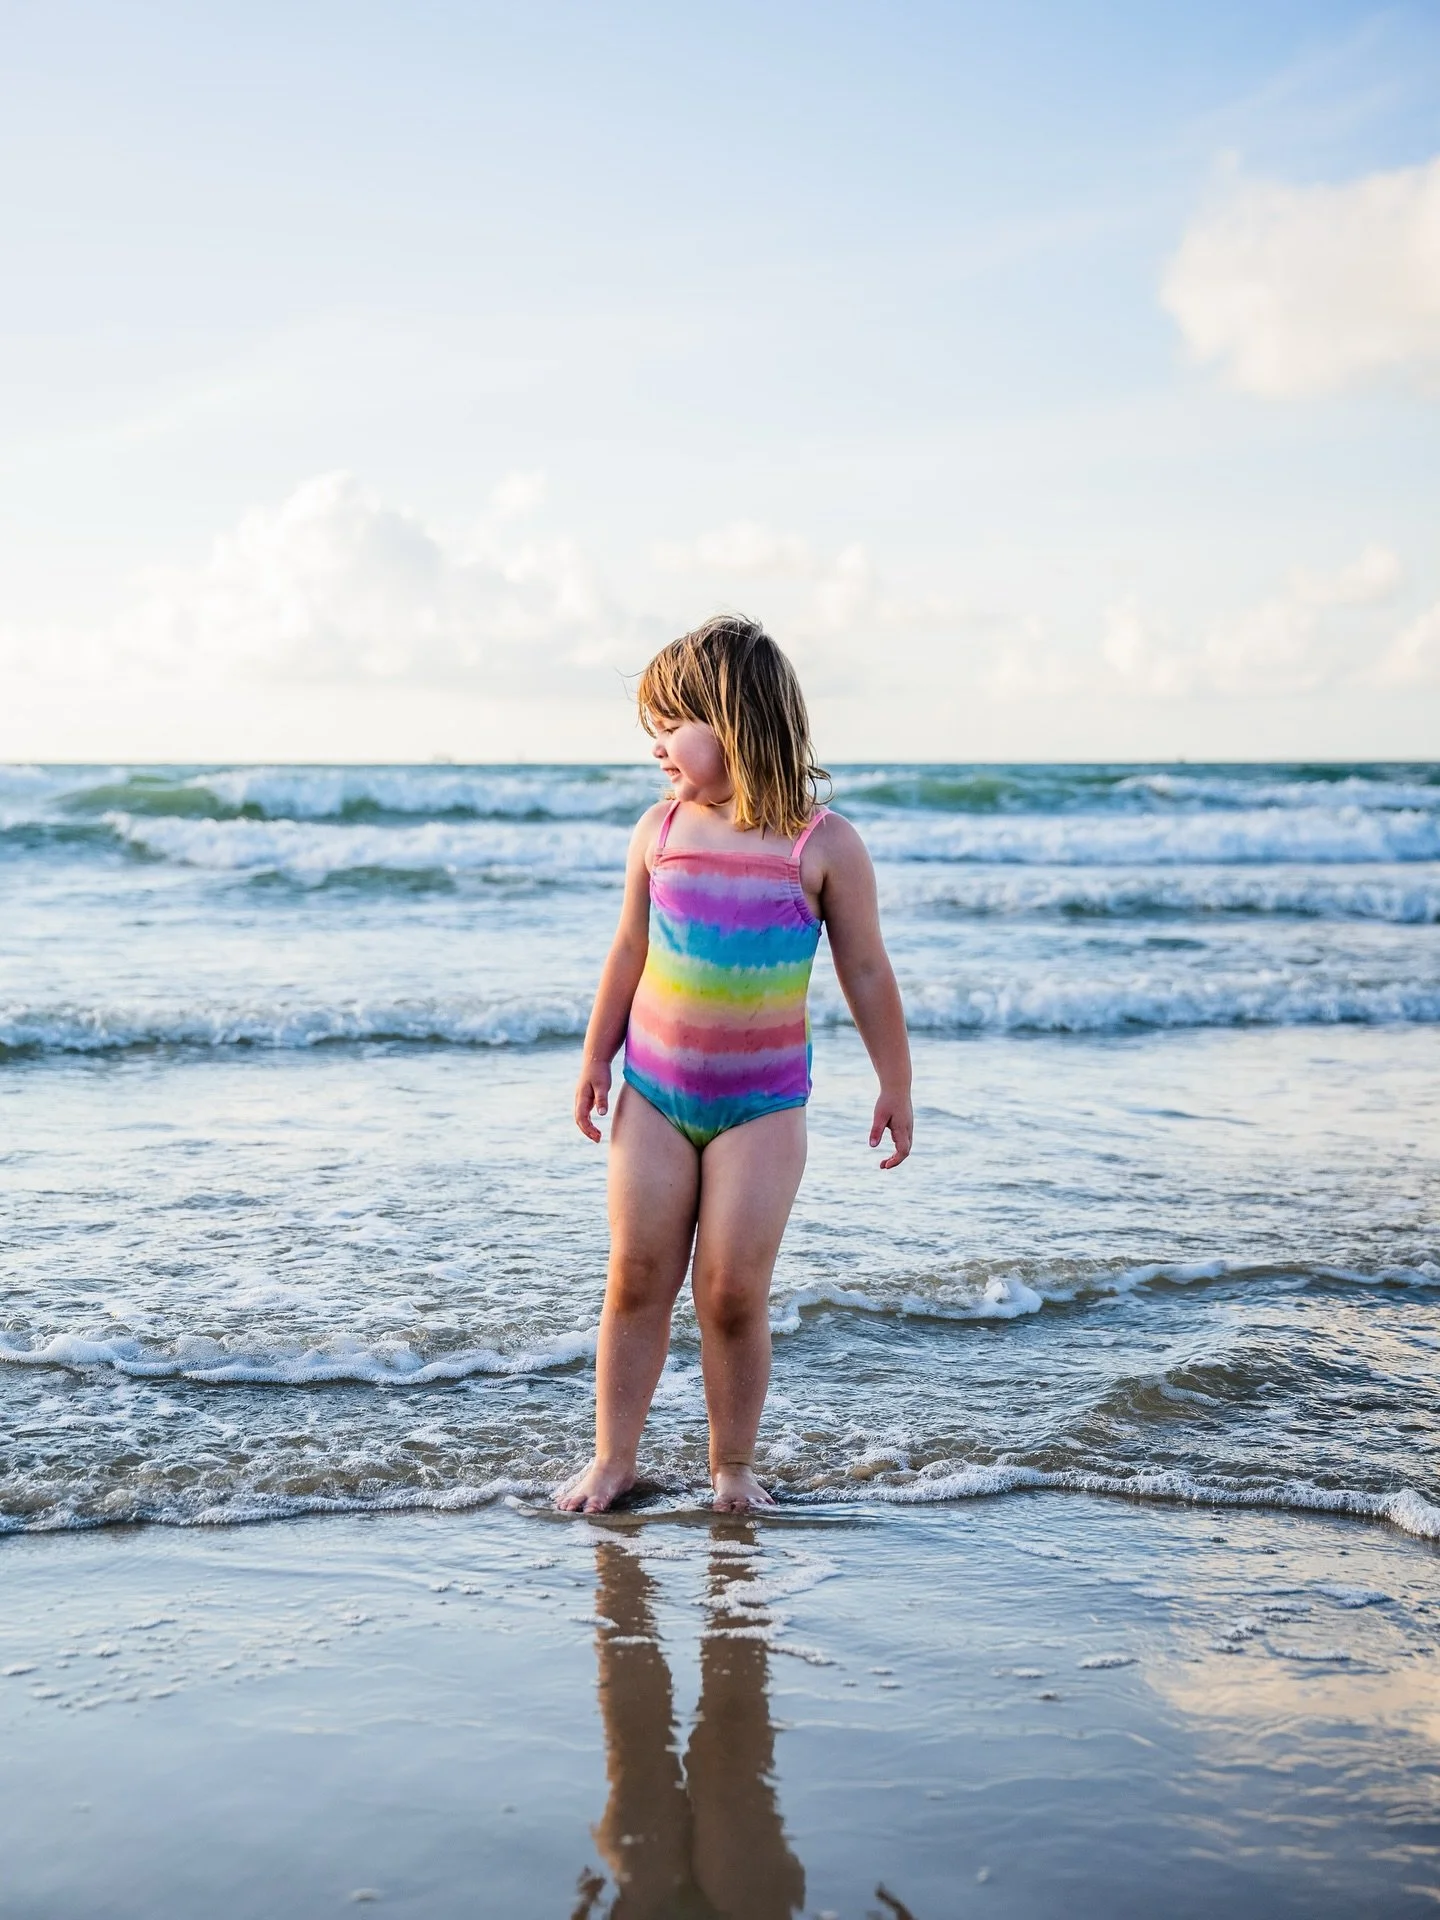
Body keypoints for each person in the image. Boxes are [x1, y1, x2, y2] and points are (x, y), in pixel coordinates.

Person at [557, 614, 912, 1515]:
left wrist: (895, 1082)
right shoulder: (659, 830)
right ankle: (613, 1458)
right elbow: (629, 947)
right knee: (637, 1273)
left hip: (760, 1108)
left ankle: (732, 1468)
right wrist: (598, 1056)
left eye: (671, 722)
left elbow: (865, 969)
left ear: (734, 720)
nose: (654, 747)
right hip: (656, 1096)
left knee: (729, 1290)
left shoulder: (821, 844)